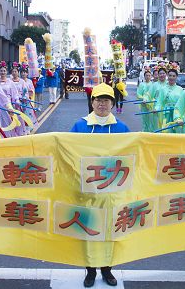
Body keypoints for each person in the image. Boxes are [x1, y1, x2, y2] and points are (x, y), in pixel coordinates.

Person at [70, 83, 129, 287]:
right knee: (89, 230)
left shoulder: (122, 128)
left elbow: (132, 156)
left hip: (113, 192)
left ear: (112, 103)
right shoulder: (80, 126)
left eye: (106, 100)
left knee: (110, 230)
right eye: (98, 100)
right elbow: (68, 155)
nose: (102, 104)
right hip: (88, 192)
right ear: (92, 102)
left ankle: (107, 269)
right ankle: (90, 271)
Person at [155, 68, 183, 132]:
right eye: (170, 75)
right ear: (167, 76)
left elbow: (182, 104)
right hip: (166, 113)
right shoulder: (163, 89)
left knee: (177, 131)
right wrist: (156, 109)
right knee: (166, 130)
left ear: (176, 77)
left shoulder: (180, 89)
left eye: (174, 76)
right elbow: (159, 102)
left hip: (177, 114)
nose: (171, 77)